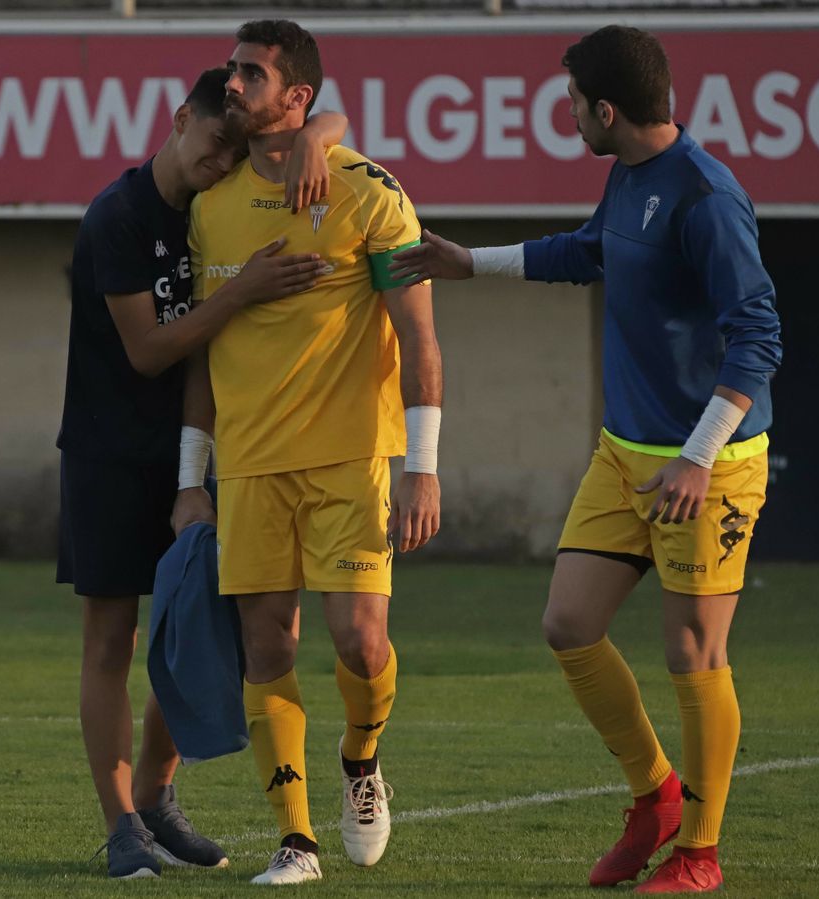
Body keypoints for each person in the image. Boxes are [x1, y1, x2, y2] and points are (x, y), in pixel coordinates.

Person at [389, 25, 782, 894]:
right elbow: (590, 251)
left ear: (607, 109)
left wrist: (697, 456)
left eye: (572, 101)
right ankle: (655, 797)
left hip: (705, 466)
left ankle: (700, 853)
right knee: (568, 625)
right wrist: (470, 262)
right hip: (624, 454)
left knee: (692, 652)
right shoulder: (629, 177)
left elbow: (758, 335)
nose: (567, 115)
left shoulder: (707, 197)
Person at [56, 67, 349, 880]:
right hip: (110, 450)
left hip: (205, 451)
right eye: (217, 146)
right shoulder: (117, 219)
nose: (223, 166)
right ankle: (121, 826)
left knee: (193, 629)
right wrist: (246, 291)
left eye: (236, 153)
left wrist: (322, 134)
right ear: (181, 118)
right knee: (112, 638)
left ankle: (155, 796)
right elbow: (151, 351)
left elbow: (332, 116)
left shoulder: (213, 215)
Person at [178, 20, 443, 886]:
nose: (233, 84)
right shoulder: (207, 209)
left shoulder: (369, 192)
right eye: (231, 71)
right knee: (269, 650)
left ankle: (362, 763)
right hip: (250, 466)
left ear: (299, 98)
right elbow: (204, 355)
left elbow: (420, 336)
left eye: (251, 74)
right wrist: (193, 478)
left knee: (363, 646)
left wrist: (424, 464)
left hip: (351, 456)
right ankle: (296, 839)